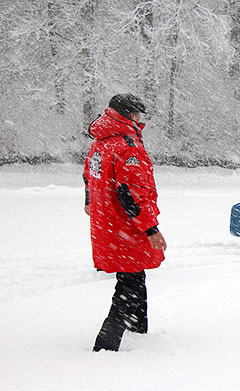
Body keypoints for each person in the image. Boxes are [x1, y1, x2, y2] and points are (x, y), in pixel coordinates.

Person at [83, 93, 167, 352]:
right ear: (130, 115)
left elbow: (89, 173)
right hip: (125, 225)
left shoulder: (101, 142)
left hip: (107, 221)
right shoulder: (127, 145)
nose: (140, 119)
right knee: (129, 283)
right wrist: (150, 228)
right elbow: (131, 193)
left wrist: (89, 200)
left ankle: (137, 329)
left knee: (133, 274)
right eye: (138, 114)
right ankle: (105, 346)